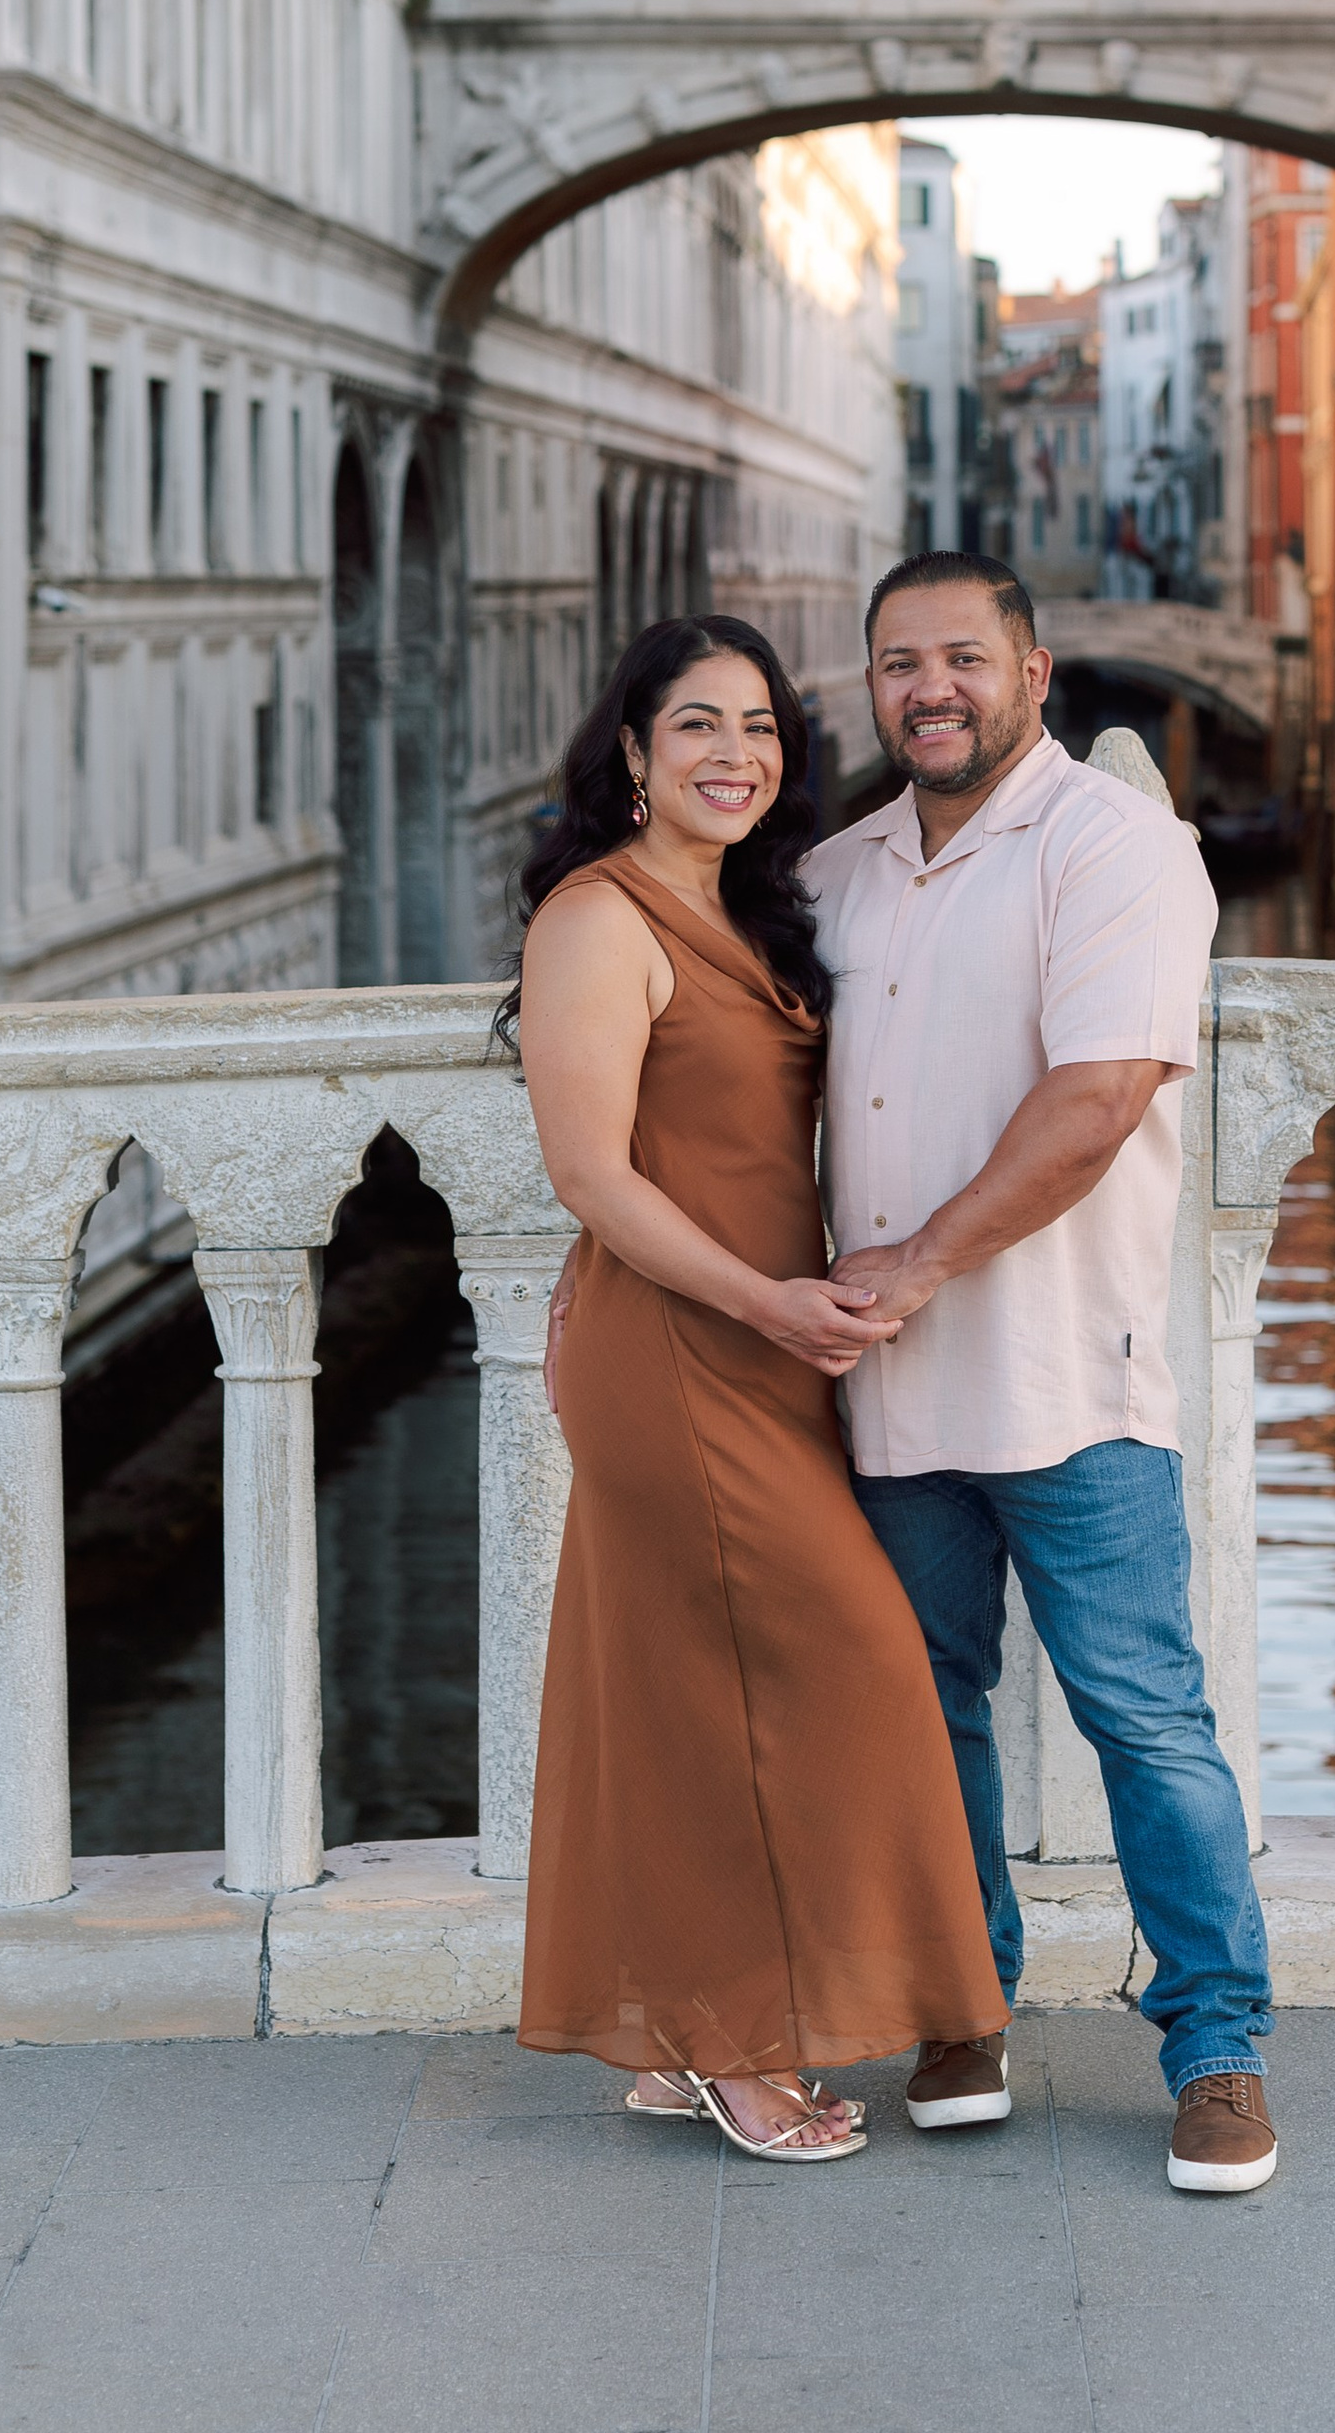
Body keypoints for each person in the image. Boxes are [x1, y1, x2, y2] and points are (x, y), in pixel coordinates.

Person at [805, 552, 1280, 2198]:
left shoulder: (1122, 847)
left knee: (1145, 1718)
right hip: (882, 1391)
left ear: (1034, 670)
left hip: (1073, 1376)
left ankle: (1217, 2042)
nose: (927, 687)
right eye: (895, 664)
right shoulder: (839, 870)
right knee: (924, 1715)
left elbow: (1097, 1100)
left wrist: (919, 1264)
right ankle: (963, 2003)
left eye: (959, 657)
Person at [511, 614, 1007, 2161]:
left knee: (681, 1692)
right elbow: (589, 1167)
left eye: (764, 731)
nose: (738, 756)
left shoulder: (747, 910)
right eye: (699, 729)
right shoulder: (600, 919)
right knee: (851, 1656)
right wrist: (769, 1310)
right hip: (687, 1343)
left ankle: (677, 2031)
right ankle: (738, 2045)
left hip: (763, 1341)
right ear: (635, 761)